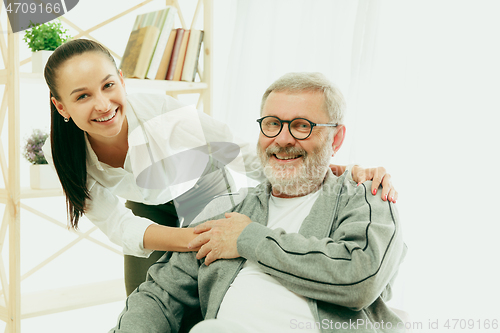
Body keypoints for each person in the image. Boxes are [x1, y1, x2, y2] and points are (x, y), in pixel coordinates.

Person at [42, 38, 398, 296]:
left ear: (121, 80)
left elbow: (237, 153)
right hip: (147, 204)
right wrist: (184, 239)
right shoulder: (61, 153)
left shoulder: (164, 115)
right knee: (145, 296)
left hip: (203, 184)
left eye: (108, 86)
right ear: (61, 108)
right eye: (83, 96)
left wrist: (330, 169)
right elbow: (118, 225)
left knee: (212, 283)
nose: (103, 104)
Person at [109, 72, 407, 333]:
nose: (283, 139)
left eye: (302, 126)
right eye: (272, 124)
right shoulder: (227, 210)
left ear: (336, 139)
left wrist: (248, 238)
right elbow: (162, 294)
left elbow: (360, 277)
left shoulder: (366, 196)